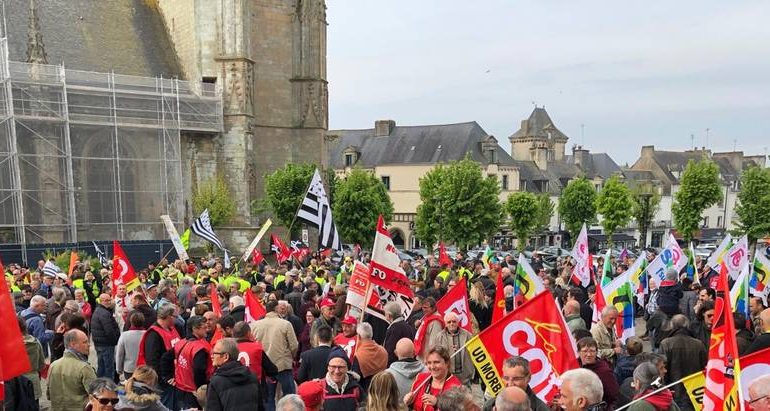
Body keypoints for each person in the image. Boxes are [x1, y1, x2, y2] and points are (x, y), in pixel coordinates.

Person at [250, 300, 299, 410]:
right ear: (276, 309)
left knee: (268, 398)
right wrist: (291, 356)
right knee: (290, 397)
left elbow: (253, 345)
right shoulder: (285, 324)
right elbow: (294, 345)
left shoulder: (255, 325)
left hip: (265, 367)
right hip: (283, 365)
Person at [135, 303, 180, 408]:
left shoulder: (172, 328)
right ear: (168, 316)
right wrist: (165, 378)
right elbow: (152, 361)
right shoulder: (153, 335)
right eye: (175, 317)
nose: (176, 319)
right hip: (163, 382)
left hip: (174, 378)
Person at [163, 315, 212, 409]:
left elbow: (165, 358)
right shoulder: (199, 348)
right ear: (194, 329)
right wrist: (201, 389)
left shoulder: (181, 342)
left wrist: (168, 376)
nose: (207, 329)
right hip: (194, 392)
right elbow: (199, 371)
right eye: (204, 327)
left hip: (180, 388)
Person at [47, 329, 97, 411]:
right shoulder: (84, 368)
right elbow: (96, 397)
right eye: (85, 342)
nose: (89, 345)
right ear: (73, 344)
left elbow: (49, 395)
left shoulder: (53, 366)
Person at [207, 337, 261, 411]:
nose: (212, 356)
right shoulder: (252, 376)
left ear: (226, 356)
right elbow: (260, 406)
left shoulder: (216, 382)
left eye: (214, 353)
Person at [404, 346, 462, 411]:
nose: (432, 367)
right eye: (429, 363)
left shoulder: (455, 386)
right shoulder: (421, 378)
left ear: (447, 363)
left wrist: (437, 403)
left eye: (436, 362)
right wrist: (410, 403)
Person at [482, 356, 548, 411]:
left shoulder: (540, 408)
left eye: (516, 379)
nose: (510, 384)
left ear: (528, 378)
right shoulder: (489, 406)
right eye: (506, 378)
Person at [433, 311, 473, 386]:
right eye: (449, 322)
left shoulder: (467, 335)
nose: (451, 324)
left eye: (454, 321)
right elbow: (435, 355)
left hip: (464, 376)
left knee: (466, 397)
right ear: (445, 324)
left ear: (458, 322)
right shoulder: (439, 337)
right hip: (447, 376)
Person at [577, 337, 619, 408]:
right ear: (578, 352)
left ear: (596, 352)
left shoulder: (604, 371)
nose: (589, 354)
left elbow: (614, 397)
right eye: (585, 351)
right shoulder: (574, 367)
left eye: (592, 351)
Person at [351, 322, 388, 393]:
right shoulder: (383, 350)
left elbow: (355, 379)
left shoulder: (359, 355)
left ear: (358, 336)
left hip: (366, 392)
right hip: (382, 389)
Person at [91, 293, 121, 380]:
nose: (109, 302)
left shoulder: (98, 310)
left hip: (99, 343)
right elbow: (109, 330)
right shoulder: (104, 313)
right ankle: (109, 387)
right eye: (106, 300)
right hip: (106, 344)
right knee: (108, 368)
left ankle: (100, 385)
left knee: (101, 366)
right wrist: (115, 341)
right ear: (101, 301)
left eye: (109, 300)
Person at [116, 312, 147, 380]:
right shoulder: (147, 334)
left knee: (130, 388)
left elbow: (120, 354)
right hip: (143, 368)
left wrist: (119, 369)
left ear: (131, 322)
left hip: (129, 368)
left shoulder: (124, 335)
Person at [384, 301, 416, 365]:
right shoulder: (406, 325)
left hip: (397, 365)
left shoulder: (395, 328)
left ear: (389, 315)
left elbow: (390, 351)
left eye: (385, 313)